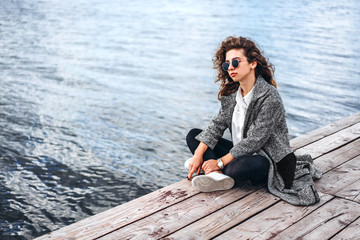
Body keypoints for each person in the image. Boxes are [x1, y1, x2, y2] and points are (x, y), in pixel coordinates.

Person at [185, 36, 321, 206]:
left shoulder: (269, 97)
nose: (230, 68)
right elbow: (217, 125)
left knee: (242, 166)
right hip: (237, 153)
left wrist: (218, 161)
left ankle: (215, 171)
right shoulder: (232, 94)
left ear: (252, 63)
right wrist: (198, 154)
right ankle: (217, 174)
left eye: (236, 62)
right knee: (194, 136)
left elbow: (255, 141)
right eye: (227, 64)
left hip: (266, 159)